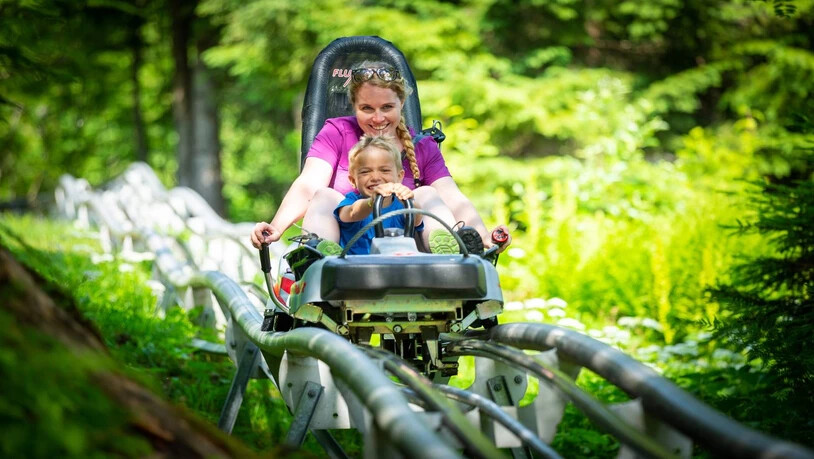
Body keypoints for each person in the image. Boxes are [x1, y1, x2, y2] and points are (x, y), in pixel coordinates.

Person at [250, 63, 511, 253]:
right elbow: (307, 185)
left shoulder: (422, 146)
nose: (378, 119)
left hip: (410, 248)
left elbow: (453, 198)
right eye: (367, 109)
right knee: (325, 195)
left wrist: (484, 235)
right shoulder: (337, 132)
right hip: (347, 244)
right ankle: (321, 258)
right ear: (354, 107)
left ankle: (452, 250)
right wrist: (276, 227)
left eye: (387, 107)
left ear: (401, 105)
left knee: (427, 193)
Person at [328, 134, 434, 254]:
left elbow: (416, 220)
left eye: (384, 170)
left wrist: (408, 200)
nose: (375, 177)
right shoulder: (352, 201)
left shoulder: (400, 205)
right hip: (356, 268)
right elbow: (351, 213)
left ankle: (448, 244)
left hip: (396, 267)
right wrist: (371, 202)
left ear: (399, 176)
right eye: (365, 172)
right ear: (353, 181)